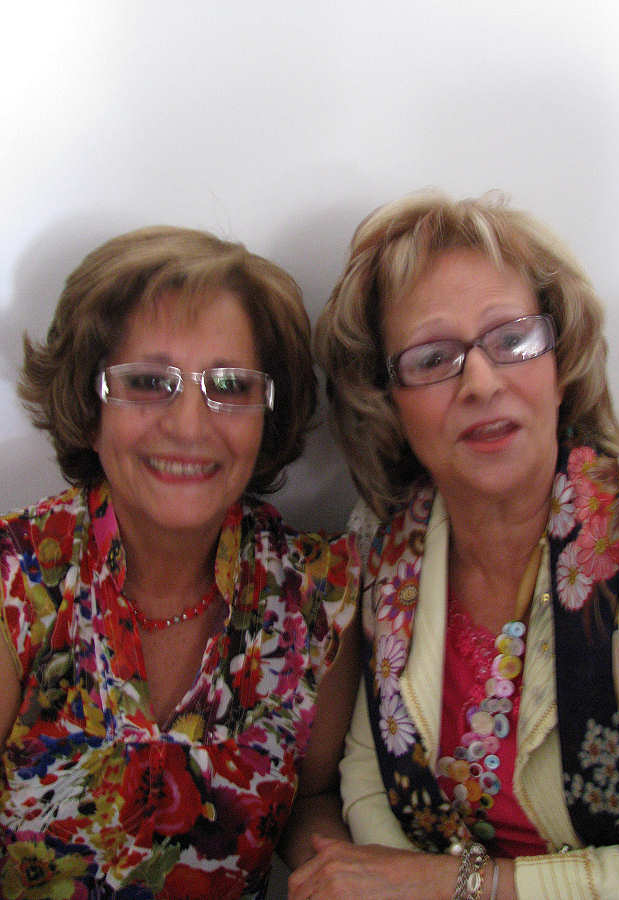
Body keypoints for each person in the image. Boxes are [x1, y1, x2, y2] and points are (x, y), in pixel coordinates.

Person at [288, 192, 619, 899]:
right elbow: (368, 780)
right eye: (433, 357)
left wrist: (450, 885)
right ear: (386, 400)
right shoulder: (382, 546)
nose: (481, 382)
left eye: (512, 339)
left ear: (561, 359)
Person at [0, 226, 360, 899]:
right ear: (89, 405)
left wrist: (339, 868)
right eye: (147, 382)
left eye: (230, 385)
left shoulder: (319, 596)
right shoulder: (16, 580)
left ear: (267, 414)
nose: (190, 425)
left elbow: (309, 798)